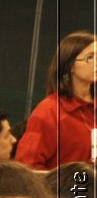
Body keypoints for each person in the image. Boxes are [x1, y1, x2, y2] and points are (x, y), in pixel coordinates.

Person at [16, 30, 97, 169]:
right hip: (64, 189)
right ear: (70, 65)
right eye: (90, 58)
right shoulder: (49, 111)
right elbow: (28, 166)